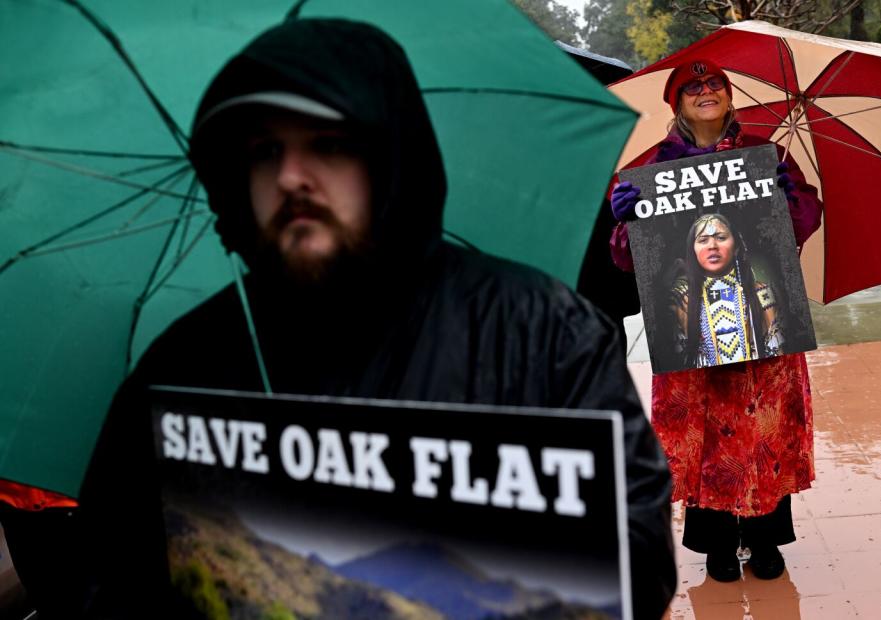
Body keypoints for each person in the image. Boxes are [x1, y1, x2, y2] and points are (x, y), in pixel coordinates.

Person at [63, 18, 677, 619]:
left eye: (327, 145)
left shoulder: (541, 331)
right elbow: (106, 576)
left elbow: (641, 563)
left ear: (390, 157)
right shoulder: (181, 366)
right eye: (263, 152)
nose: (290, 177)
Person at [606, 59, 822, 582]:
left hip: (762, 324)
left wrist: (786, 198)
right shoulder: (653, 166)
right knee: (706, 440)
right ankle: (718, 544)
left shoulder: (766, 155)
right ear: (677, 103)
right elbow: (627, 259)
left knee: (763, 429)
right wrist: (626, 220)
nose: (706, 92)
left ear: (729, 96)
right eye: (692, 87)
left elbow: (802, 225)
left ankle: (767, 538)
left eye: (715, 85)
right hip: (690, 331)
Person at [670, 213, 783, 369]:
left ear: (736, 247)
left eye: (721, 238)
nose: (712, 246)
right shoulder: (680, 300)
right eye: (703, 240)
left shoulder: (761, 293)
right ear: (692, 251)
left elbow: (778, 353)